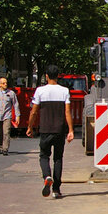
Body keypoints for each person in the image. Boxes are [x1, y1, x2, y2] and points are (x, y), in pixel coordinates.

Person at [27, 65, 74, 199]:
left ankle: (47, 176)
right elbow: (67, 112)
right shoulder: (64, 91)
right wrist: (70, 130)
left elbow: (34, 111)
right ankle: (56, 189)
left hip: (45, 129)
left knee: (44, 156)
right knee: (58, 159)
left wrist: (30, 127)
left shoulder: (40, 91)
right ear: (58, 76)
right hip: (59, 130)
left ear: (46, 76)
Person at [0, 77, 21, 156]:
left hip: (7, 116)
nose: (5, 84)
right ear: (0, 84)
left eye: (6, 83)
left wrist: (17, 115)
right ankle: (1, 145)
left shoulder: (11, 93)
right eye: (3, 83)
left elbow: (16, 104)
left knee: (6, 132)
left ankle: (5, 149)